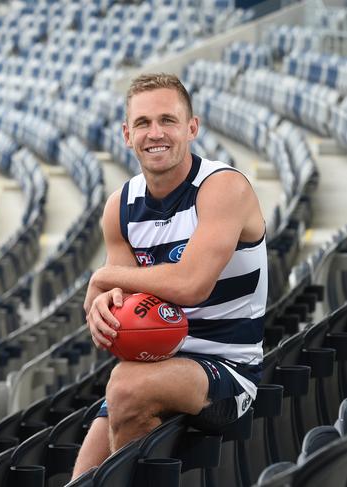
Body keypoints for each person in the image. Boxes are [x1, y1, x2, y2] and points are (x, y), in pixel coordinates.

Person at [71, 73, 267, 478]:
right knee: (81, 478)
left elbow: (191, 285)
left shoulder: (223, 187)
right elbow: (121, 298)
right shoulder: (120, 207)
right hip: (157, 361)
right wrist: (105, 308)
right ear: (127, 134)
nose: (154, 133)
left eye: (168, 120)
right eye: (142, 123)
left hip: (228, 370)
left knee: (125, 386)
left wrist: (106, 277)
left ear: (191, 128)